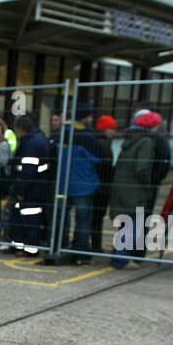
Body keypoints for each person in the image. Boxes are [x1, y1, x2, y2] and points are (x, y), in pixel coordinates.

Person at [108, 109, 165, 269]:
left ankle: (118, 255)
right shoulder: (146, 142)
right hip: (136, 189)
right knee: (133, 225)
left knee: (125, 224)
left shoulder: (130, 140)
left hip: (123, 186)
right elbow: (142, 167)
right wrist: (147, 184)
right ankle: (121, 259)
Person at [54, 101, 104, 264]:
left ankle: (59, 249)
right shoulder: (86, 137)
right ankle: (81, 254)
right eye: (90, 116)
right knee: (83, 222)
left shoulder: (60, 134)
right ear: (84, 117)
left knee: (61, 220)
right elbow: (99, 159)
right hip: (83, 185)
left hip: (62, 184)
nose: (91, 119)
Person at [7, 114, 50, 257]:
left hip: (32, 189)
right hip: (38, 186)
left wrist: (21, 190)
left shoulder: (31, 144)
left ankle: (29, 249)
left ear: (21, 129)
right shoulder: (38, 140)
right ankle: (20, 246)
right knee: (25, 218)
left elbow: (28, 171)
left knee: (29, 219)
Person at [90, 115, 118, 254]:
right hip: (102, 186)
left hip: (97, 185)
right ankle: (95, 245)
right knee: (97, 217)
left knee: (92, 217)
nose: (114, 132)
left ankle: (90, 243)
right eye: (112, 128)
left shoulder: (95, 141)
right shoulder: (104, 144)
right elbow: (105, 165)